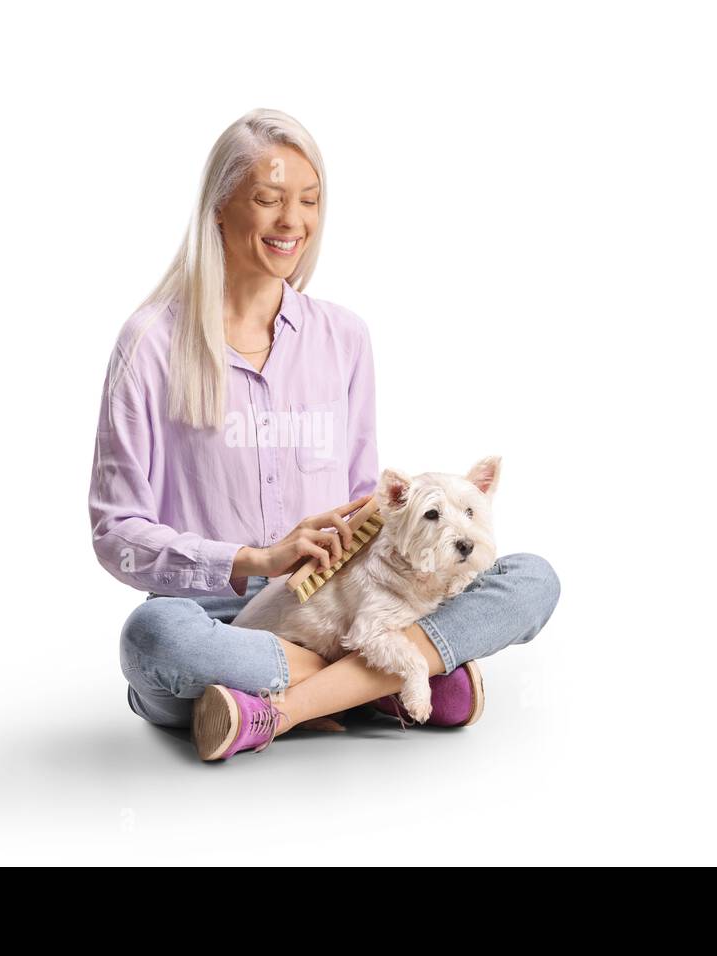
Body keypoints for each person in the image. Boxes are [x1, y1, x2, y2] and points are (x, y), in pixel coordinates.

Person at [88, 108, 560, 761]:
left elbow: (369, 502)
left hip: (347, 609)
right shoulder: (150, 344)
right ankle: (372, 685)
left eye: (309, 201)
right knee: (153, 635)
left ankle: (277, 709)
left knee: (533, 578)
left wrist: (408, 523)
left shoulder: (344, 338)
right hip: (215, 622)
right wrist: (254, 561)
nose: (293, 221)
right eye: (268, 199)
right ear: (219, 209)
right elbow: (116, 535)